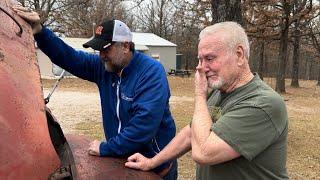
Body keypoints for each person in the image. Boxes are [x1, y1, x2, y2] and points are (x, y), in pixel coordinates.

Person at [13, 5, 177, 179]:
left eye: (106, 49)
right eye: (98, 50)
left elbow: (143, 127)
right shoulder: (105, 68)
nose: (101, 55)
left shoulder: (151, 72)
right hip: (124, 164)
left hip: (155, 168)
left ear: (126, 46)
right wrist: (40, 32)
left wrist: (106, 148)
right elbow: (70, 58)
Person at [125, 21, 289, 180]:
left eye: (209, 59)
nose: (201, 67)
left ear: (239, 55)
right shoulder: (219, 92)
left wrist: (200, 95)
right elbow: (191, 134)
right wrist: (152, 162)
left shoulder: (263, 103)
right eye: (200, 59)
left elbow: (204, 152)